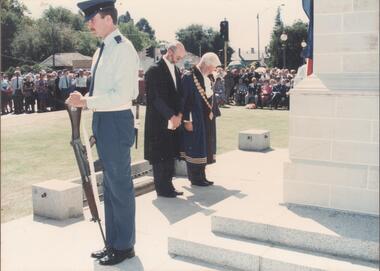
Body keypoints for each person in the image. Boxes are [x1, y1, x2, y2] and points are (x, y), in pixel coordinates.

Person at [66, 0, 139, 265]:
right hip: (103, 120)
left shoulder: (123, 49)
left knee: (119, 184)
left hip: (116, 120)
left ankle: (124, 245)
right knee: (109, 186)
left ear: (107, 18)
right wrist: (83, 97)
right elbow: (102, 91)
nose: (89, 23)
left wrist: (87, 102)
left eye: (92, 18)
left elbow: (122, 95)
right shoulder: (102, 50)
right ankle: (113, 242)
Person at [144, 41, 186, 198]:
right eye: (178, 56)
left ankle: (169, 185)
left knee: (170, 154)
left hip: (174, 120)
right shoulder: (154, 70)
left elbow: (180, 94)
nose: (179, 60)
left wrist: (180, 114)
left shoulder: (175, 70)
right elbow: (156, 98)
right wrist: (171, 116)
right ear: (170, 51)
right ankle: (162, 189)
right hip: (159, 120)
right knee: (160, 156)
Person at [181, 52, 221, 186]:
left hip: (205, 117)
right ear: (205, 64)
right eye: (211, 67)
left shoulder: (207, 77)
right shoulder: (188, 77)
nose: (213, 70)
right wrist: (187, 120)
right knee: (195, 146)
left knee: (205, 147)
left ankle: (202, 175)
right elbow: (184, 101)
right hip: (194, 117)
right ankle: (195, 177)